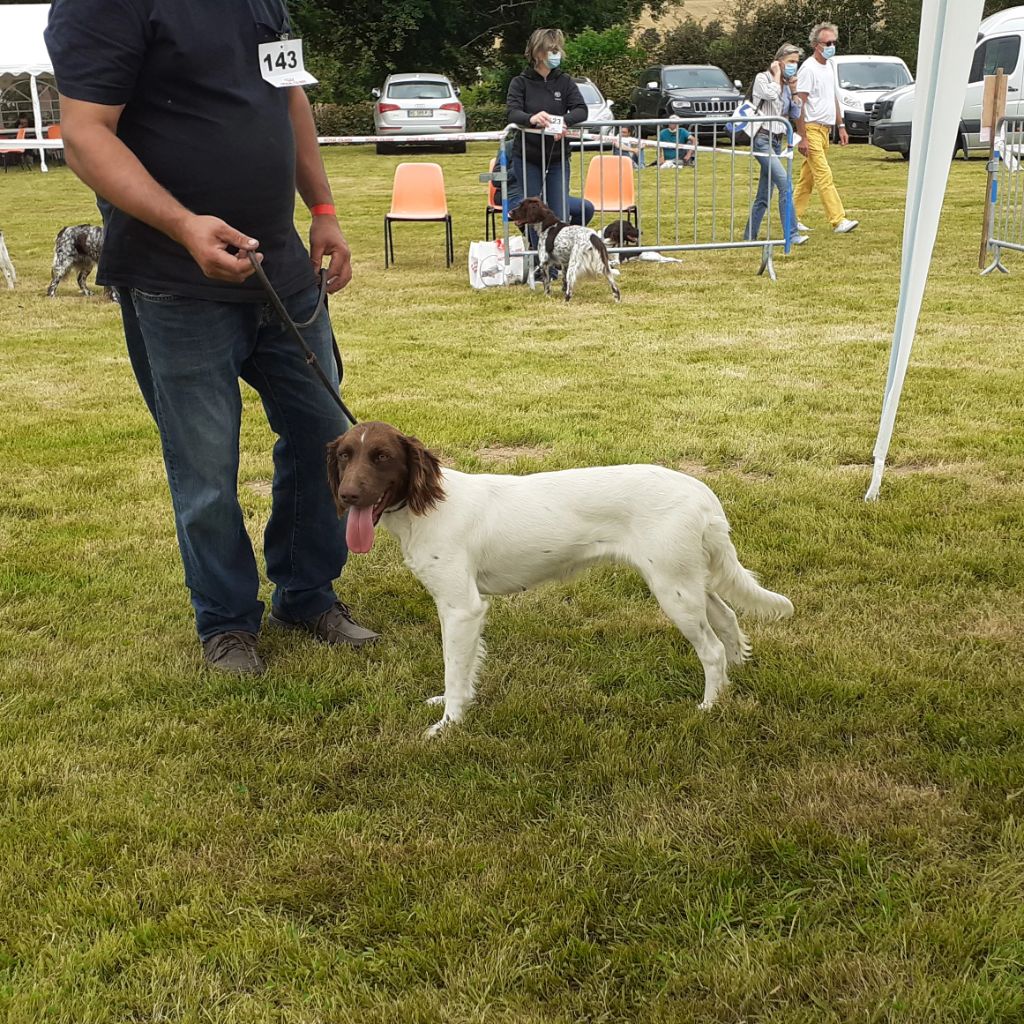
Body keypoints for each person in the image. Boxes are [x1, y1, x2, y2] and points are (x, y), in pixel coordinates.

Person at [44, 0, 379, 676]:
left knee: (327, 440)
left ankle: (307, 593)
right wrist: (184, 224)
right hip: (174, 282)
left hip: (280, 271)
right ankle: (227, 622)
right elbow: (85, 135)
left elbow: (289, 98)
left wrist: (323, 209)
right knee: (204, 471)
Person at [505, 28, 594, 246]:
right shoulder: (520, 82)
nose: (556, 55)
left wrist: (565, 120)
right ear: (538, 53)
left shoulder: (565, 81)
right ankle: (538, 259)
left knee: (559, 210)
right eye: (551, 50)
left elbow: (581, 109)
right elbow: (512, 112)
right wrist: (531, 118)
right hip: (527, 156)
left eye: (558, 50)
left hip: (557, 156)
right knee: (532, 212)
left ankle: (558, 262)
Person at [793, 21, 859, 234]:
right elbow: (799, 104)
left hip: (825, 130)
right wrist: (801, 136)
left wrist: (841, 125)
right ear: (816, 45)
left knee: (807, 178)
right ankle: (838, 219)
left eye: (834, 42)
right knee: (823, 175)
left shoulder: (829, 67)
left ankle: (792, 218)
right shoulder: (808, 69)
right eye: (828, 42)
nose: (832, 45)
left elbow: (833, 97)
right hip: (811, 129)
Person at [742, 44, 806, 244]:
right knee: (785, 184)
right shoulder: (763, 78)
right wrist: (778, 76)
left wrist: (794, 92)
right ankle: (792, 234)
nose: (793, 66)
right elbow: (770, 95)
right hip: (762, 139)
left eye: (796, 62)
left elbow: (794, 114)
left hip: (778, 142)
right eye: (790, 62)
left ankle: (749, 237)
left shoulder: (787, 85)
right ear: (779, 61)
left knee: (764, 193)